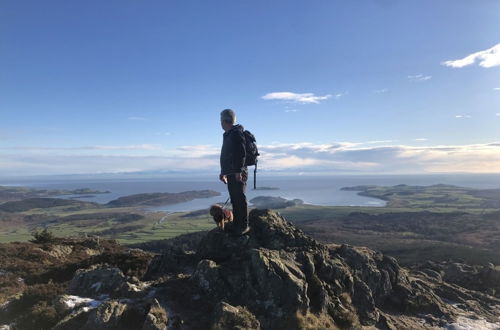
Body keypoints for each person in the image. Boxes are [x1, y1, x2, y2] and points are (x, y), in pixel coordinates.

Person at [219, 109, 250, 235]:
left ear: (225, 121)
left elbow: (241, 153)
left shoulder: (236, 133)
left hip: (238, 172)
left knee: (239, 199)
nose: (220, 123)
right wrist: (223, 172)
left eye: (221, 120)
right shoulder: (229, 134)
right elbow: (226, 155)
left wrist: (238, 171)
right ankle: (237, 224)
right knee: (234, 199)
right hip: (231, 172)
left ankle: (243, 226)